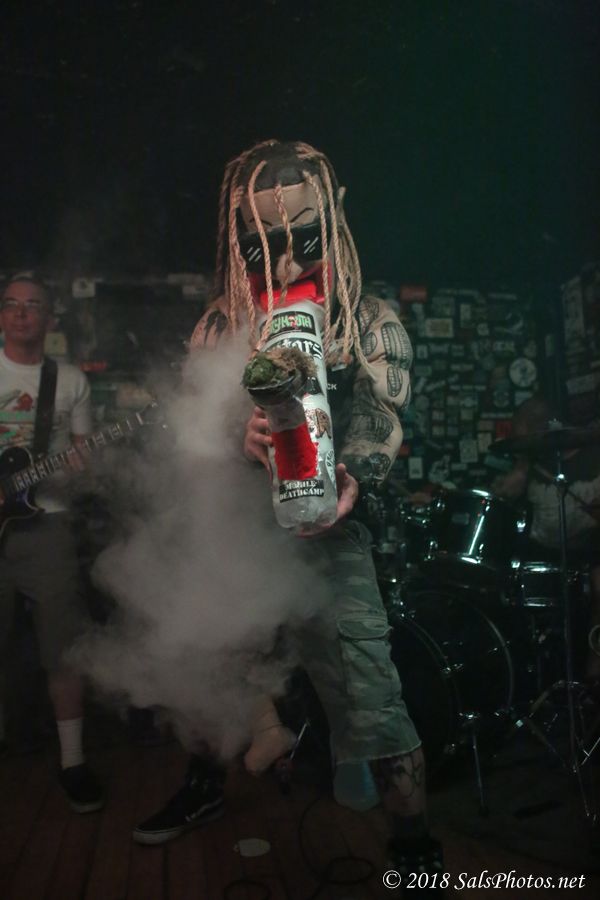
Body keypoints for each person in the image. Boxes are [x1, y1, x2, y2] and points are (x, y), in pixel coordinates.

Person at [133, 139, 444, 886]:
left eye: (302, 237)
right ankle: (205, 784)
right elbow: (191, 428)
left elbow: (381, 416)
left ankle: (413, 844)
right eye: (261, 243)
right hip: (237, 529)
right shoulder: (222, 322)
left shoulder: (363, 317)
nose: (281, 259)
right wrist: (231, 436)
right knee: (211, 659)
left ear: (333, 217)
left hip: (331, 534)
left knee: (370, 691)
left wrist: (354, 474)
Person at [0, 273, 104, 812]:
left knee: (64, 649)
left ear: (49, 317)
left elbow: (84, 455)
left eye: (32, 305)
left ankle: (73, 762)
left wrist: (81, 466)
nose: (21, 314)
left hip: (49, 525)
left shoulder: (69, 381)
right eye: (12, 305)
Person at [493, 393, 600, 681]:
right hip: (543, 556)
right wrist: (520, 467)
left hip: (591, 555)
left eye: (517, 426)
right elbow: (502, 496)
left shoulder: (594, 458)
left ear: (535, 426)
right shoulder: (529, 466)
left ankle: (593, 672)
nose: (513, 434)